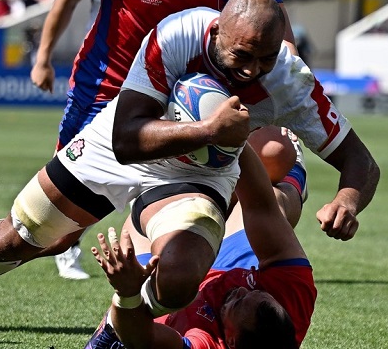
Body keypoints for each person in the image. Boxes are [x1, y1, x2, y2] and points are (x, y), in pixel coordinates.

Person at [0, 0, 379, 348]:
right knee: (23, 237)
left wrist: (348, 199)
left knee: (180, 278)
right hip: (126, 137)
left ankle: (115, 330)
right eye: (241, 56)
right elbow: (127, 139)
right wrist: (211, 130)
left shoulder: (290, 83)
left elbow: (360, 161)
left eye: (265, 59)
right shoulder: (179, 33)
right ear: (216, 33)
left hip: (196, 175)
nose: (251, 70)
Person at [30, 0, 174, 281]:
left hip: (161, 83)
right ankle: (60, 243)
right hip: (103, 79)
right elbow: (65, 0)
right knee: (69, 165)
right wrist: (43, 57)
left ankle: (151, 250)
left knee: (159, 166)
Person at [87, 126, 315, 349]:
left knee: (149, 243)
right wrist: (231, 137)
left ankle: (111, 325)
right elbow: (261, 207)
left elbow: (143, 338)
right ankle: (288, 177)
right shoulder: (290, 299)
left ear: (231, 341)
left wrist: (127, 294)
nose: (241, 289)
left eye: (237, 303)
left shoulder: (205, 344)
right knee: (274, 162)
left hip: (172, 306)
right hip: (232, 265)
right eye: (256, 291)